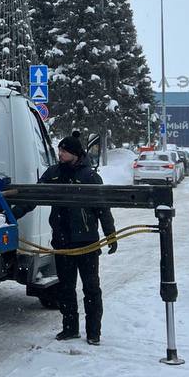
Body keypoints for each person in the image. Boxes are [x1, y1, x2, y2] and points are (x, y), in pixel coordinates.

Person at [18, 131, 117, 344]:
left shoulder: (90, 177)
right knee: (65, 288)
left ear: (75, 154)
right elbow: (34, 196)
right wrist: (14, 212)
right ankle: (70, 328)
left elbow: (102, 208)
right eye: (59, 150)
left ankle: (93, 332)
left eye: (64, 151)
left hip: (87, 243)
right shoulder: (53, 173)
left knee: (91, 288)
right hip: (62, 242)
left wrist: (110, 234)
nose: (60, 154)